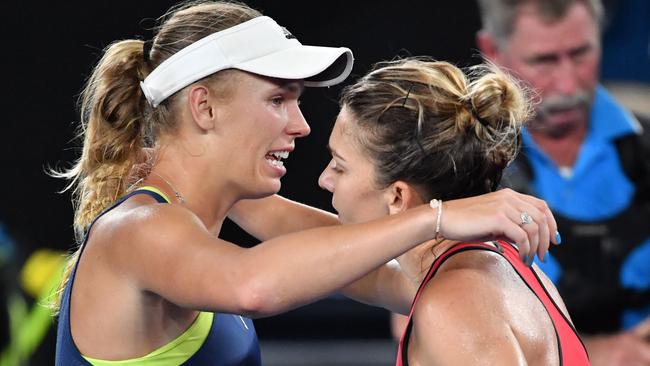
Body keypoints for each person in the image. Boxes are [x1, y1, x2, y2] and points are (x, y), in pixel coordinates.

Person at [53, 1, 559, 365]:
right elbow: (252, 286)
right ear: (204, 107)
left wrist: (469, 250)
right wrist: (439, 216)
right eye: (278, 100)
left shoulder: (213, 207)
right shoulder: (136, 229)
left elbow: (399, 277)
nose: (302, 125)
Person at [233, 58, 587, 365]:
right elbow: (316, 242)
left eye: (340, 166)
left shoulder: (454, 302)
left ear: (398, 197)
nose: (325, 179)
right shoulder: (480, 269)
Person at [475, 0, 650, 364]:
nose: (569, 83)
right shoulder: (458, 166)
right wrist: (592, 355)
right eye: (544, 61)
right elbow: (424, 321)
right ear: (492, 51)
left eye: (581, 53)